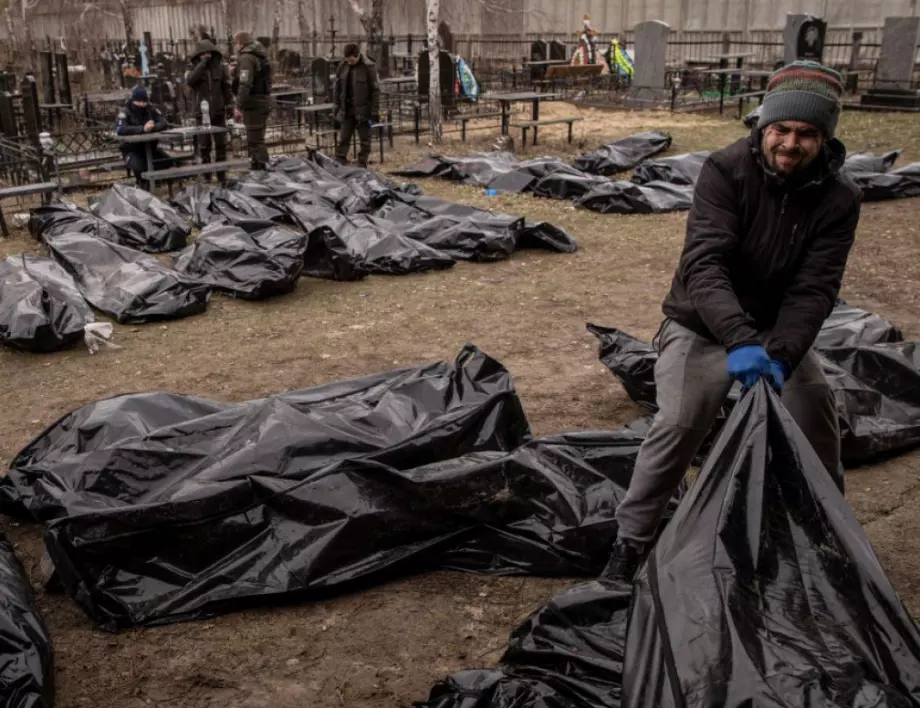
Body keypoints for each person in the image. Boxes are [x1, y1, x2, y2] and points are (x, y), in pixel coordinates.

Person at [601, 61, 861, 582]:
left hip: (777, 330)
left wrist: (783, 354)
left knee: (815, 419)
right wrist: (739, 339)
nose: (790, 143)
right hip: (701, 324)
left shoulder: (840, 197)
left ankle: (828, 535)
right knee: (676, 426)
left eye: (807, 134)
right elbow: (704, 265)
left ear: (825, 138)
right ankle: (631, 541)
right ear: (763, 126)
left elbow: (815, 288)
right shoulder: (725, 171)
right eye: (781, 130)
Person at [184, 38, 233, 180]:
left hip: (218, 111)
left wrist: (229, 105)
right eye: (202, 53)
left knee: (221, 144)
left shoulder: (221, 67)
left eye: (208, 53)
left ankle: (222, 175)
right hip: (202, 113)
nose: (206, 55)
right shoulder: (192, 68)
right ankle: (207, 176)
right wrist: (202, 64)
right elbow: (191, 81)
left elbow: (226, 88)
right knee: (204, 145)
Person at [333, 43, 379, 167]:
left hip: (363, 110)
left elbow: (375, 90)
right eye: (348, 60)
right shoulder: (342, 66)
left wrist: (374, 111)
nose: (350, 62)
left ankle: (361, 163)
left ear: (358, 56)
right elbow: (337, 89)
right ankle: (339, 161)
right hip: (347, 110)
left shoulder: (369, 67)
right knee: (344, 138)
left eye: (352, 60)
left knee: (365, 140)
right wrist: (336, 107)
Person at [115, 84, 170, 186]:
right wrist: (142, 129)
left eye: (144, 102)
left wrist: (153, 127)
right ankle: (143, 186)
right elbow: (120, 128)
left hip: (150, 148)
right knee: (140, 168)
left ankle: (158, 183)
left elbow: (163, 122)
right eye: (138, 102)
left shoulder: (150, 109)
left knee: (168, 162)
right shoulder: (125, 111)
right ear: (133, 100)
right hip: (131, 150)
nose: (141, 104)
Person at [232, 31, 272, 170]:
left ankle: (262, 171)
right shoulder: (258, 55)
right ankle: (258, 167)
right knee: (257, 139)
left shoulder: (247, 58)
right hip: (262, 100)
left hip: (254, 103)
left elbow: (245, 83)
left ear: (240, 43)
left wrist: (238, 104)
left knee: (255, 141)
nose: (235, 46)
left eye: (236, 43)